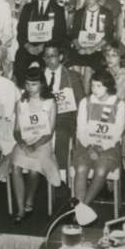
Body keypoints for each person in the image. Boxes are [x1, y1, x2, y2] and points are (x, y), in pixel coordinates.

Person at [9, 67, 61, 223]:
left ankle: (29, 201)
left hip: (42, 143)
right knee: (16, 167)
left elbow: (49, 132)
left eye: (34, 84)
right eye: (27, 84)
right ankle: (20, 209)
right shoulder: (21, 103)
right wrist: (22, 143)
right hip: (25, 141)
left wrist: (36, 144)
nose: (29, 88)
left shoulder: (50, 102)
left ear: (42, 85)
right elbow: (17, 130)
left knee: (33, 169)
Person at [72, 69, 125, 205]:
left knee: (101, 170)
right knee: (81, 168)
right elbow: (81, 130)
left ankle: (83, 207)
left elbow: (117, 133)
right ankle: (79, 207)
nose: (94, 89)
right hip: (87, 145)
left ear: (108, 86)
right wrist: (90, 147)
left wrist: (100, 149)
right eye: (92, 85)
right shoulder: (85, 102)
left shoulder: (119, 104)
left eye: (98, 86)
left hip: (108, 147)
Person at [14, 0, 67, 83]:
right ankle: (24, 91)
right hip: (29, 48)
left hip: (48, 47)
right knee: (20, 60)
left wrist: (43, 46)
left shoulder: (57, 8)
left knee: (46, 62)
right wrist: (28, 46)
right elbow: (21, 31)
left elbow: (60, 33)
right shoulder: (28, 8)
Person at [41, 43, 84, 173]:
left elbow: (81, 102)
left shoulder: (72, 76)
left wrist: (79, 127)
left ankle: (61, 174)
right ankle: (39, 171)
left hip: (64, 117)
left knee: (61, 134)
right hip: (42, 118)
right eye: (46, 56)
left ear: (60, 57)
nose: (49, 60)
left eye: (53, 56)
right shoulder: (38, 75)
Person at [67, 0, 114, 91]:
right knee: (74, 66)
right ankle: (79, 94)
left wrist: (93, 48)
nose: (88, 0)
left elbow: (107, 36)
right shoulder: (79, 13)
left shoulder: (107, 13)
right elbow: (74, 35)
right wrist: (79, 47)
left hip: (98, 49)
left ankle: (86, 95)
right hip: (82, 48)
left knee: (89, 68)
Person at [101, 42, 125, 149]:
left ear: (122, 57)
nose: (109, 58)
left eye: (114, 55)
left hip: (123, 119)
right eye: (107, 55)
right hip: (103, 117)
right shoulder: (102, 74)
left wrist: (110, 118)